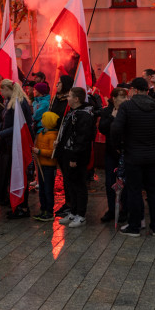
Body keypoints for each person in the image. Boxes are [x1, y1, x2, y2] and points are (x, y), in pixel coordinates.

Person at [112, 78, 155, 237]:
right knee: (153, 190)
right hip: (152, 155)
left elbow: (116, 129)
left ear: (134, 90)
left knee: (134, 190)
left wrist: (119, 146)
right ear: (147, 90)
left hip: (133, 154)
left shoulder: (127, 106)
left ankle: (135, 226)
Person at [0, 79, 33, 219]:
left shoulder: (18, 103)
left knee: (19, 172)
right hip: (9, 143)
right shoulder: (10, 101)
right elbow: (4, 122)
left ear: (7, 89)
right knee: (12, 173)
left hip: (18, 143)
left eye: (2, 90)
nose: (0, 93)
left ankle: (22, 206)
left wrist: (0, 135)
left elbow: (18, 127)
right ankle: (17, 204)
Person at [54, 87, 96, 228]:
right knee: (70, 184)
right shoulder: (73, 112)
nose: (68, 99)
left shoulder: (83, 115)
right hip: (66, 153)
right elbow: (68, 133)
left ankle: (81, 215)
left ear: (77, 99)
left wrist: (74, 157)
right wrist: (60, 143)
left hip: (76, 156)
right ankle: (73, 211)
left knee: (79, 185)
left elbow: (81, 138)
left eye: (70, 96)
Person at [97, 88, 128, 223]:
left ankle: (125, 210)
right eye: (122, 97)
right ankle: (111, 209)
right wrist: (111, 118)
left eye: (125, 97)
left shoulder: (128, 110)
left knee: (125, 182)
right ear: (114, 99)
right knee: (110, 182)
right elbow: (102, 128)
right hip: (110, 151)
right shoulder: (107, 111)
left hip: (124, 152)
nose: (125, 100)